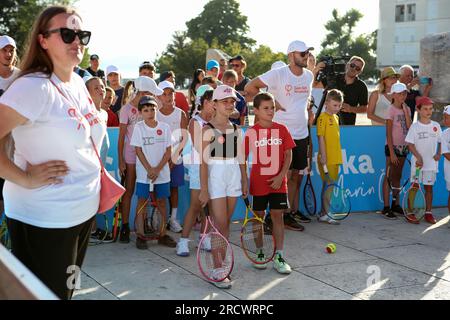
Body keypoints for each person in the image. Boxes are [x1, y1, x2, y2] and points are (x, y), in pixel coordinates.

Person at [0, 6, 105, 299]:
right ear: (43, 40)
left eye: (82, 35)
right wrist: (23, 177)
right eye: (68, 34)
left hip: (81, 213)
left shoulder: (77, 82)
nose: (77, 42)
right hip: (45, 218)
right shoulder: (32, 87)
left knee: (66, 293)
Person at [245, 40, 315, 231]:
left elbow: (303, 100)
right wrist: (273, 101)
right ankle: (269, 218)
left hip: (301, 133)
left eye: (308, 53)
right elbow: (250, 88)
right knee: (276, 176)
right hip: (279, 134)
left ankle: (286, 215)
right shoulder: (278, 73)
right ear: (291, 55)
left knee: (293, 176)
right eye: (303, 53)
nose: (306, 56)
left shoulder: (309, 76)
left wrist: (307, 112)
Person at [198, 85, 247, 289]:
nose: (229, 105)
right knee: (219, 225)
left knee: (226, 222)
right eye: (225, 101)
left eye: (232, 102)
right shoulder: (207, 129)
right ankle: (218, 268)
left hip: (233, 175)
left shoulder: (236, 129)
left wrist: (244, 179)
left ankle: (222, 263)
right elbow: (203, 162)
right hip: (216, 177)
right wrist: (203, 189)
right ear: (215, 104)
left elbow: (241, 158)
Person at [244, 92, 295, 274]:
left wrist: (281, 175)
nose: (270, 111)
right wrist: (244, 181)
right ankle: (259, 253)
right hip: (258, 184)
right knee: (258, 218)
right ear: (256, 110)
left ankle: (279, 255)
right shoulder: (251, 132)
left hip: (279, 183)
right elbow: (242, 158)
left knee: (277, 216)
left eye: (272, 107)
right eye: (266, 108)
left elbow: (289, 154)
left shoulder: (282, 129)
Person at [118, 76, 163, 243]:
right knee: (129, 190)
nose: (154, 96)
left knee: (144, 192)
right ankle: (125, 226)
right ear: (142, 91)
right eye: (150, 92)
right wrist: (121, 160)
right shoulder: (126, 109)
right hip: (131, 155)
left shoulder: (150, 107)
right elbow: (122, 137)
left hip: (148, 155)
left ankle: (143, 225)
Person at [131, 95, 177, 249]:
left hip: (162, 174)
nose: (150, 112)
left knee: (162, 202)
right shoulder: (139, 128)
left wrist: (157, 169)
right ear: (141, 113)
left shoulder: (164, 127)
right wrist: (149, 169)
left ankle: (162, 234)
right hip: (145, 175)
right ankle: (140, 235)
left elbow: (168, 151)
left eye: (152, 109)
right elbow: (138, 150)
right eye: (146, 110)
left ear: (157, 110)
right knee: (142, 202)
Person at [176, 88, 214, 257]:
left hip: (215, 167)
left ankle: (204, 237)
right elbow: (200, 146)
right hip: (198, 167)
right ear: (205, 103)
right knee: (196, 204)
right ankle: (183, 241)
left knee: (210, 205)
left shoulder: (218, 121)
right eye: (215, 102)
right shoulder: (194, 121)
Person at [157, 80, 189, 233]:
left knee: (174, 189)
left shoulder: (180, 113)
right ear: (159, 96)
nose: (168, 97)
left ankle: (173, 219)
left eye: (171, 94)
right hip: (158, 160)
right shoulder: (154, 114)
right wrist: (164, 159)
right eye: (164, 94)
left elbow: (184, 138)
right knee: (160, 191)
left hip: (176, 159)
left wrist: (175, 156)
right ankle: (161, 220)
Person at [405, 96, 441, 224]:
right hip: (418, 164)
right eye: (425, 109)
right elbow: (410, 144)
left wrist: (439, 153)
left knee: (429, 188)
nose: (428, 111)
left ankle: (428, 213)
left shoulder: (436, 126)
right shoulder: (414, 127)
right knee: (414, 187)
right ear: (418, 110)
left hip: (431, 164)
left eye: (430, 109)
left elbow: (440, 141)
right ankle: (409, 212)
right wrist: (418, 157)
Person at [381, 82, 412, 220]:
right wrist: (392, 152)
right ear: (393, 95)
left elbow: (410, 127)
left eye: (404, 93)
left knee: (397, 176)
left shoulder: (407, 109)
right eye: (399, 93)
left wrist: (406, 113)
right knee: (389, 176)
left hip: (404, 147)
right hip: (392, 147)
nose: (402, 96)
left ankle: (396, 203)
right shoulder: (390, 109)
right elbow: (388, 132)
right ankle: (386, 207)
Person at [316, 90, 344, 225]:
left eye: (339, 106)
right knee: (328, 186)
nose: (337, 108)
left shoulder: (336, 118)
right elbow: (321, 138)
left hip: (335, 158)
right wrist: (323, 156)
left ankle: (324, 213)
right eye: (334, 105)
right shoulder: (322, 118)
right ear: (326, 103)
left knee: (330, 186)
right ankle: (326, 214)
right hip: (327, 159)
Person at [0, 35, 20, 215]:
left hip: (18, 148)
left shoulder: (22, 77)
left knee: (14, 197)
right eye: (4, 50)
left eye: (11, 50)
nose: (8, 54)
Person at [328, 56, 369, 125]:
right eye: (352, 65)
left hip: (348, 125)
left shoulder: (362, 86)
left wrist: (351, 109)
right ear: (347, 65)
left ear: (360, 72)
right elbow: (316, 84)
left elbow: (364, 108)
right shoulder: (334, 79)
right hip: (329, 122)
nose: (354, 69)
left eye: (358, 68)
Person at [441, 105, 450, 228]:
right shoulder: (444, 134)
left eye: (447, 118)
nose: (445, 120)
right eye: (444, 117)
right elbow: (446, 154)